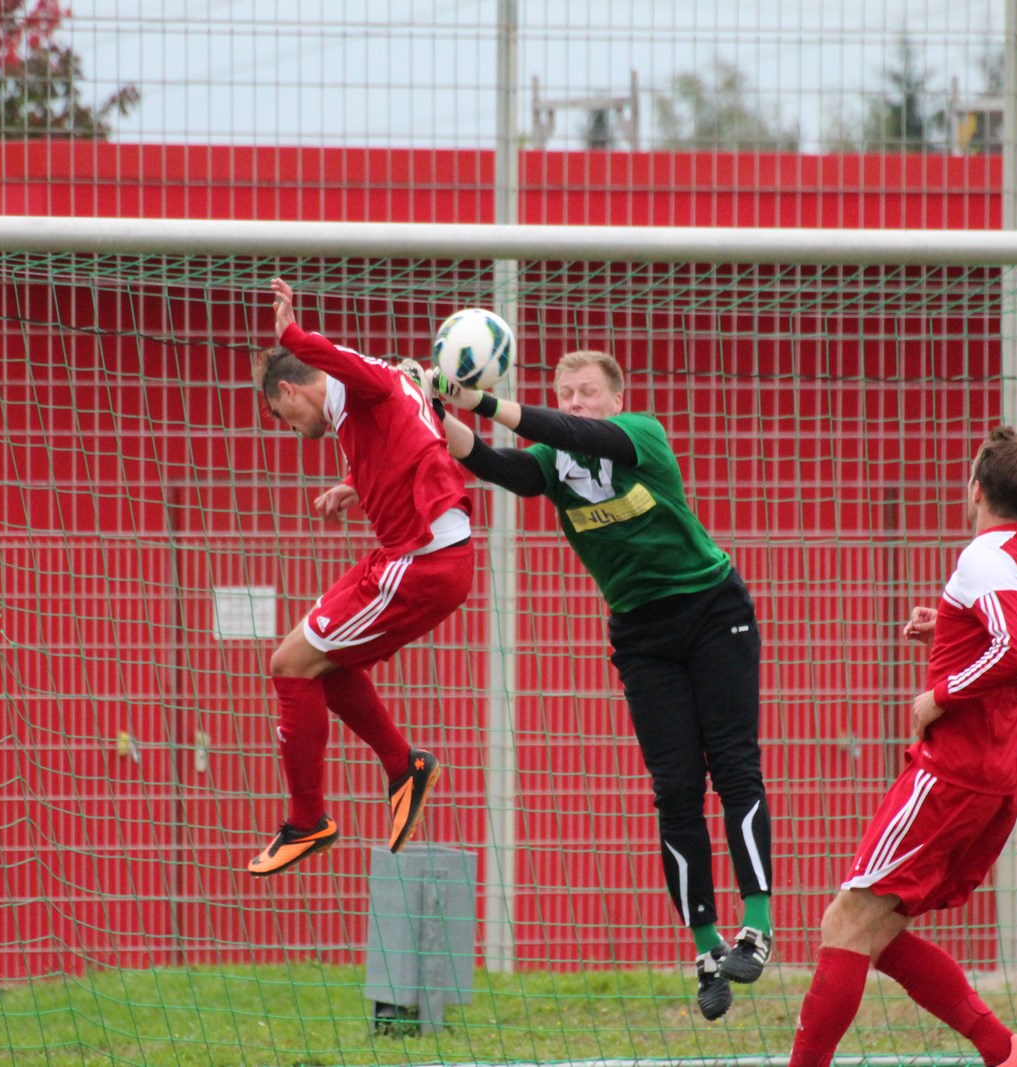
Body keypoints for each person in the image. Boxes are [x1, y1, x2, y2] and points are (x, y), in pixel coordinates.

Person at [431, 352, 772, 1021]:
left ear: (616, 399)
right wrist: (434, 404)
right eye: (565, 392)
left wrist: (475, 397)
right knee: (675, 789)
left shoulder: (639, 433)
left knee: (733, 765)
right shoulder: (554, 467)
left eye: (587, 392)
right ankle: (708, 954)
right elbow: (494, 462)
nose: (576, 402)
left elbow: (576, 435)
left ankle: (755, 928)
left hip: (713, 612)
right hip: (642, 637)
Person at [787, 427, 1017, 1067]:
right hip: (997, 777)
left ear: (975, 487)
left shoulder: (983, 555)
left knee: (843, 923)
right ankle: (1006, 1052)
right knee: (878, 932)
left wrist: (940, 694)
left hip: (951, 774)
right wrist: (949, 632)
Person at [244, 278, 474, 877]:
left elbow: (351, 371)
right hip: (411, 555)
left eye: (281, 415)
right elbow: (414, 433)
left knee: (289, 664)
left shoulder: (353, 382)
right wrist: (356, 484)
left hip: (421, 563)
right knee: (325, 663)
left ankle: (307, 822)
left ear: (291, 390)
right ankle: (404, 767)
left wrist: (293, 334)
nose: (290, 428)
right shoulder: (368, 399)